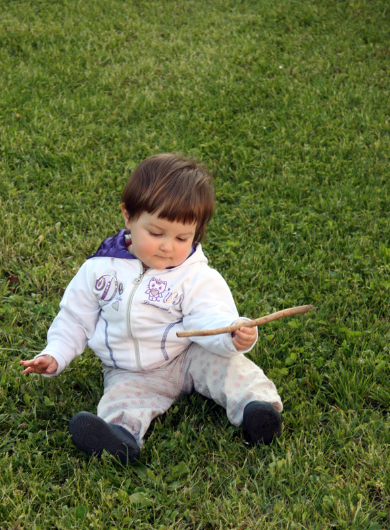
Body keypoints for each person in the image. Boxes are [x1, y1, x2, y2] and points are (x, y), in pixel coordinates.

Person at [20, 154, 283, 464]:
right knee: (122, 399)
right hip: (129, 370)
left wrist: (231, 335)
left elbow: (210, 315)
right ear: (128, 216)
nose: (167, 246)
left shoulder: (195, 275)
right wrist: (56, 353)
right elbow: (75, 319)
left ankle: (257, 409)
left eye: (182, 237)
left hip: (188, 355)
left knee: (231, 368)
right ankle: (121, 436)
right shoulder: (99, 269)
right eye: (156, 233)